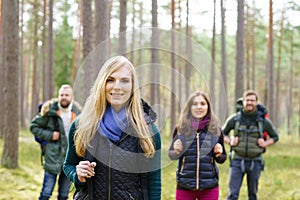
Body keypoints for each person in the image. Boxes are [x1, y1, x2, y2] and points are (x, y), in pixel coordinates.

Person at [63, 56, 161, 200]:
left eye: (125, 81)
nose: (117, 86)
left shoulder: (148, 131)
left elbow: (154, 183)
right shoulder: (81, 125)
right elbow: (69, 165)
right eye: (110, 80)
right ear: (102, 83)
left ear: (133, 86)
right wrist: (77, 174)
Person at [168, 91, 227, 200]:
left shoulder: (215, 130)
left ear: (208, 107)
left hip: (209, 186)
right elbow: (171, 155)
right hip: (184, 185)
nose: (199, 107)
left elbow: (223, 158)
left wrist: (219, 153)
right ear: (190, 107)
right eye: (195, 104)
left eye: (202, 104)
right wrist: (176, 151)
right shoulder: (181, 128)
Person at [222, 90, 279, 200]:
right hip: (237, 161)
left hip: (255, 161)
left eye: (252, 100)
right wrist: (230, 140)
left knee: (252, 195)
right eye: (247, 100)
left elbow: (275, 136)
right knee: (232, 194)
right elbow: (222, 133)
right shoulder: (235, 119)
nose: (249, 103)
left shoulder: (263, 121)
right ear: (243, 102)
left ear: (256, 102)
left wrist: (265, 143)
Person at [30, 84, 82, 200]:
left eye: (66, 95)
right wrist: (50, 135)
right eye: (61, 95)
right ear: (58, 96)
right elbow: (33, 126)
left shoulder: (78, 113)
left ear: (71, 97)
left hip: (69, 161)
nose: (64, 97)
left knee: (64, 195)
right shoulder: (49, 110)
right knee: (46, 193)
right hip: (52, 158)